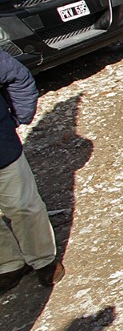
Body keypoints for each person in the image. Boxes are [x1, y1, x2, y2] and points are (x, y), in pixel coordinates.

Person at [0, 51, 60, 294]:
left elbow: (17, 77)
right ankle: (8, 264)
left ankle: (43, 259)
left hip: (2, 152)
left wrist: (16, 118)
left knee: (24, 206)